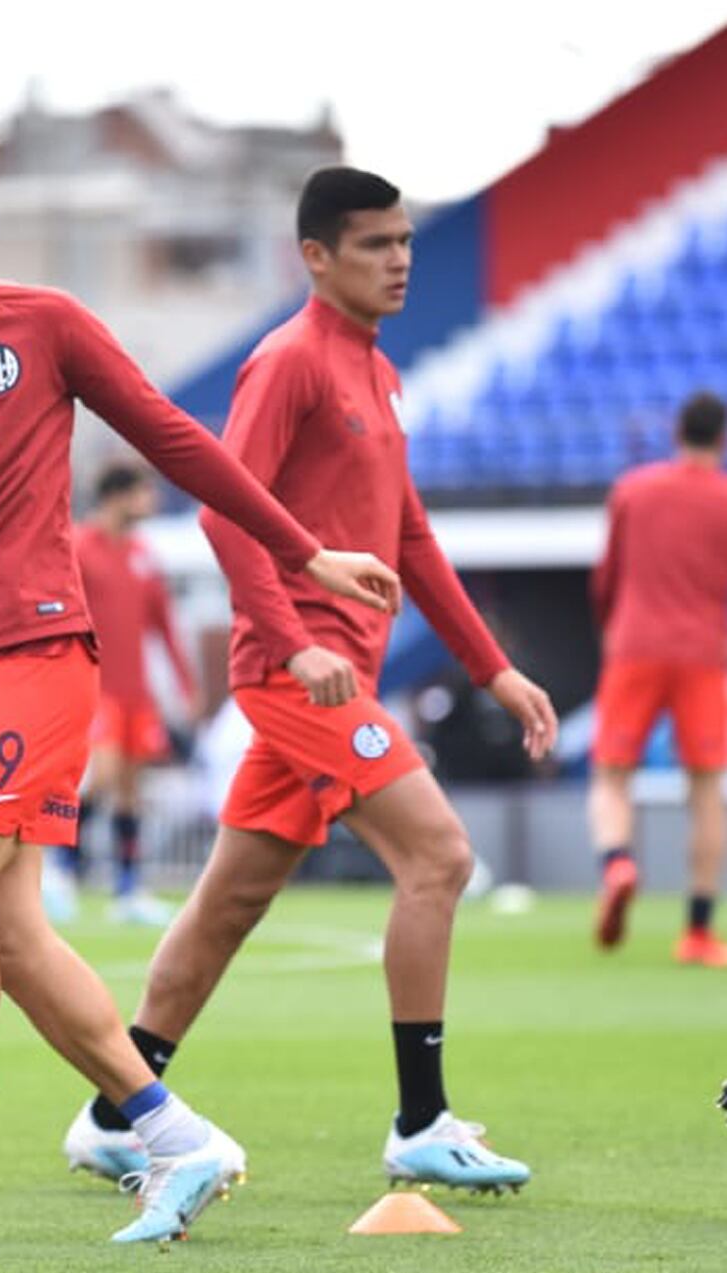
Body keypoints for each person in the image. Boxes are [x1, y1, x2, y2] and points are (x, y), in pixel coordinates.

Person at [0, 142, 400, 1244]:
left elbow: (173, 439)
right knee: (2, 934)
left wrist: (303, 558)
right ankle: (134, 1137)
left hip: (37, 654)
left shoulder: (42, 323)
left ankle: (1, 1138)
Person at [64, 167, 558, 1196]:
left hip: (339, 676)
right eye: (375, 244)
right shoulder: (286, 362)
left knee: (228, 900)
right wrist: (291, 645)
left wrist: (494, 669)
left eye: (406, 242)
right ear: (314, 257)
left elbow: (408, 536)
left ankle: (117, 1109)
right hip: (300, 681)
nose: (399, 261)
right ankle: (418, 1120)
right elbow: (219, 511)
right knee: (438, 854)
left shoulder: (377, 374)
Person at [587, 390, 727, 966]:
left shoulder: (633, 490)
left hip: (634, 646)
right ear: (719, 438)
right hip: (705, 654)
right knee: (704, 789)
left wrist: (611, 629)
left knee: (613, 777)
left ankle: (617, 862)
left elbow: (607, 577)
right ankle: (696, 931)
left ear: (677, 432)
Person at [51, 462, 200, 927]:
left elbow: (163, 624)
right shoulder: (79, 546)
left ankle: (129, 888)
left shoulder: (142, 553)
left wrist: (184, 683)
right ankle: (60, 871)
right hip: (96, 688)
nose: (151, 503)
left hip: (137, 693)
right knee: (103, 777)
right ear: (118, 496)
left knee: (132, 792)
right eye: (144, 493)